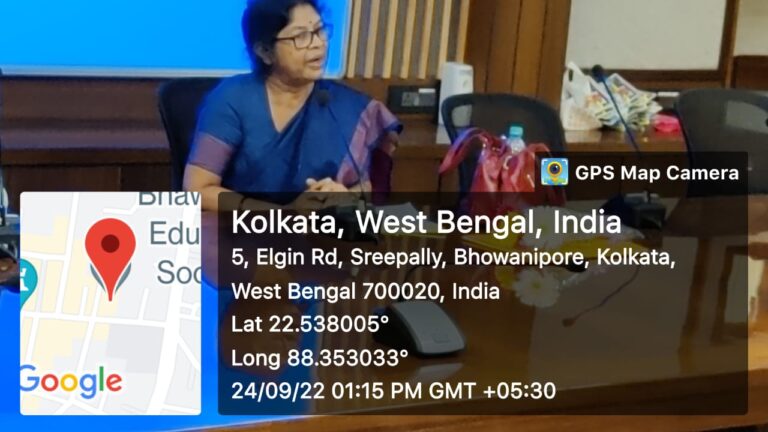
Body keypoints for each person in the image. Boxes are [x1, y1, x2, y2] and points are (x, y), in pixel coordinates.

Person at [185, 0, 402, 211]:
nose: (318, 44)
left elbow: (372, 187)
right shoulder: (233, 99)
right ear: (265, 51)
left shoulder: (347, 107)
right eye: (301, 36)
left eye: (320, 30)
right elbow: (198, 189)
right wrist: (281, 214)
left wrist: (344, 196)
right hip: (245, 228)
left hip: (322, 231)